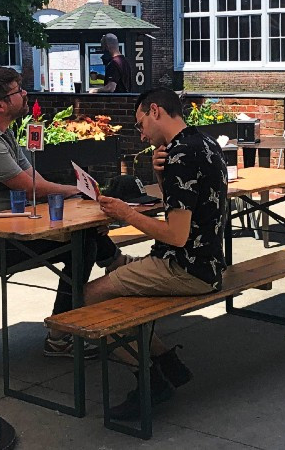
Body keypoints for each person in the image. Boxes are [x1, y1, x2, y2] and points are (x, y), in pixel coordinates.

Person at [0, 66, 125, 358]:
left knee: (81, 236)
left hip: (8, 228)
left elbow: (37, 181)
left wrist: (78, 192)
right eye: (18, 91)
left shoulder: (1, 134)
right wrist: (82, 191)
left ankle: (114, 264)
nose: (25, 94)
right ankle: (62, 334)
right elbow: (34, 188)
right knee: (80, 242)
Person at [85, 87, 228, 420]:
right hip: (205, 263)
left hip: (185, 269)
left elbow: (176, 236)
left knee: (89, 297)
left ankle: (151, 381)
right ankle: (169, 364)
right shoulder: (202, 144)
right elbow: (180, 206)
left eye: (139, 124)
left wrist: (125, 213)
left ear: (155, 111)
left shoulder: (181, 155)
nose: (141, 132)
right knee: (114, 277)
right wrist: (160, 174)